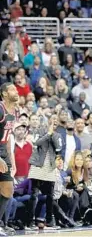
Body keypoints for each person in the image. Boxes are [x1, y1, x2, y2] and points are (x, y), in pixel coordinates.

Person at [0, 83, 19, 236]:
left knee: (8, 190)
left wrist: (10, 160)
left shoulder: (15, 111)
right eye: (12, 89)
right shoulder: (0, 109)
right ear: (4, 94)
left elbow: (7, 138)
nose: (16, 91)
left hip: (3, 153)